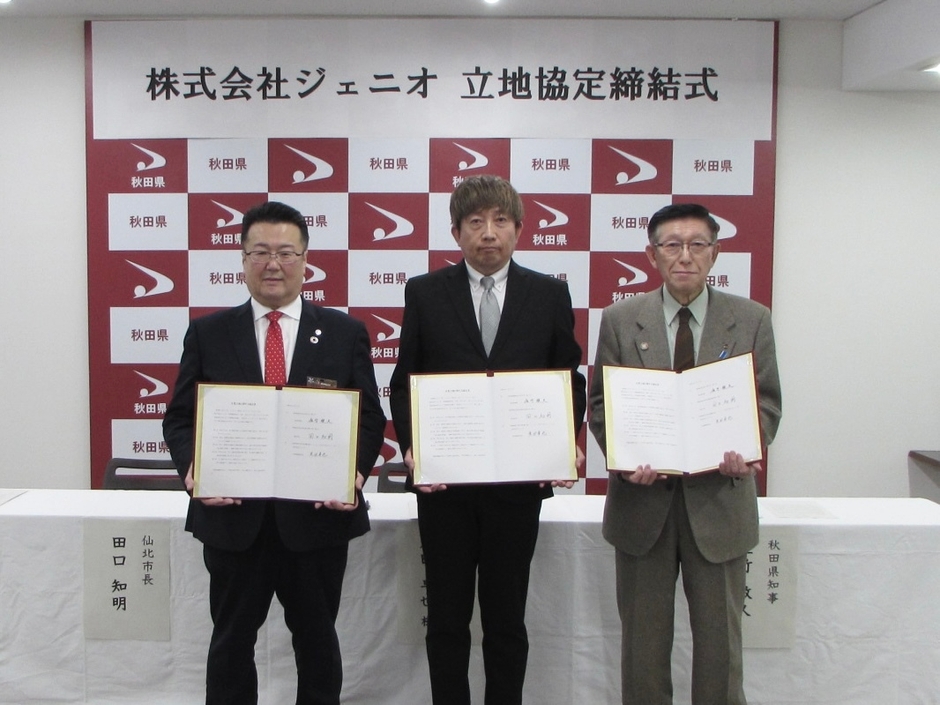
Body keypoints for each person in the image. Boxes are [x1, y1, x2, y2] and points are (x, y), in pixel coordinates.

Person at [162, 200, 386, 705]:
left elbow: (369, 417)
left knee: (318, 644)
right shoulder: (209, 332)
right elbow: (179, 418)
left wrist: (351, 474)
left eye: (286, 253)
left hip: (317, 518)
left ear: (306, 261)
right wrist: (194, 469)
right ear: (242, 260)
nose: (273, 264)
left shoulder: (345, 333)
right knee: (230, 644)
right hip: (234, 519)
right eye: (260, 252)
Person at [389, 175, 587, 705]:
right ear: (456, 233)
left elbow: (568, 379)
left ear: (519, 229)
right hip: (445, 489)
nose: (488, 233)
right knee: (446, 621)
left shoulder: (549, 294)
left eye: (500, 221)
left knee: (506, 622)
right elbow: (405, 381)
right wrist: (412, 450)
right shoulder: (425, 293)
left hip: (516, 490)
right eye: (475, 222)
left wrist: (564, 438)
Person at [588, 203, 782, 704]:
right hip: (642, 507)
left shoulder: (751, 319)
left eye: (698, 245)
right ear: (651, 255)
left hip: (720, 504)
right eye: (672, 245)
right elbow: (601, 404)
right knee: (643, 652)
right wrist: (624, 459)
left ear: (715, 253)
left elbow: (766, 402)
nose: (685, 256)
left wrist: (748, 446)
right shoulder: (620, 320)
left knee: (721, 651)